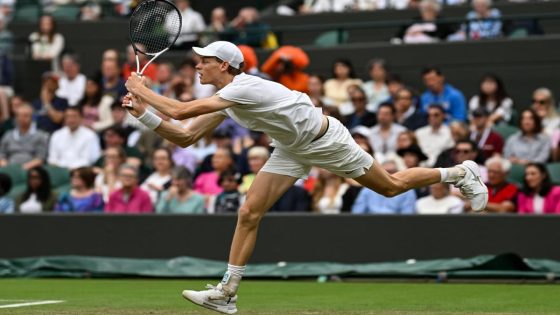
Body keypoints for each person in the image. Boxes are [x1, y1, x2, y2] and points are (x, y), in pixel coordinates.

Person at [123, 40, 487, 314]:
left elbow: (183, 108)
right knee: (249, 212)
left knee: (390, 187)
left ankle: (458, 171)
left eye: (203, 62)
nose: (197, 67)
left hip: (325, 139)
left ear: (223, 65)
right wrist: (143, 113)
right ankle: (227, 293)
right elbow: (186, 134)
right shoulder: (228, 98)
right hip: (290, 147)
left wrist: (143, 89)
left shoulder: (244, 87)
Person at [351, 160, 417, 214]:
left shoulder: (407, 191)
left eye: (392, 171)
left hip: (397, 226)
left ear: (398, 172)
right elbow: (357, 213)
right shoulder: (368, 189)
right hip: (370, 226)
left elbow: (407, 216)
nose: (389, 175)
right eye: (385, 172)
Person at [0, 104, 49, 170]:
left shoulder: (40, 135)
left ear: (32, 118)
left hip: (31, 170)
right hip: (9, 169)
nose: (21, 118)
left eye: (25, 116)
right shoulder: (8, 135)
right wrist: (6, 166)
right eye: (18, 115)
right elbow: (1, 154)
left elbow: (40, 158)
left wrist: (22, 169)